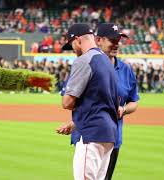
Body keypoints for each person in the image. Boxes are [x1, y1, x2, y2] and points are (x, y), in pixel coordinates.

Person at [56, 23, 119, 180]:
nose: (73, 50)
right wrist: (75, 122)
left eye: (71, 45)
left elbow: (67, 102)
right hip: (109, 134)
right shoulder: (107, 61)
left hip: (91, 134)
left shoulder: (84, 60)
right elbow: (105, 103)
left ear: (77, 40)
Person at [95, 23, 139, 180]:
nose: (116, 44)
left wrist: (124, 109)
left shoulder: (126, 70)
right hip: (90, 136)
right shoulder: (88, 65)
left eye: (118, 40)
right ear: (98, 40)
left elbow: (134, 101)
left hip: (113, 137)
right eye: (112, 40)